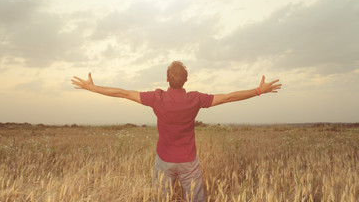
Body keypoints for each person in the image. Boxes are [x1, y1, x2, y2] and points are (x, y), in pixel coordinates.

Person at [71, 61, 282, 201]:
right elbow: (227, 97)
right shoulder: (195, 99)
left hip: (164, 161)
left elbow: (123, 93)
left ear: (167, 79)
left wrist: (93, 88)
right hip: (189, 162)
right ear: (186, 80)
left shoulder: (157, 97)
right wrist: (258, 91)